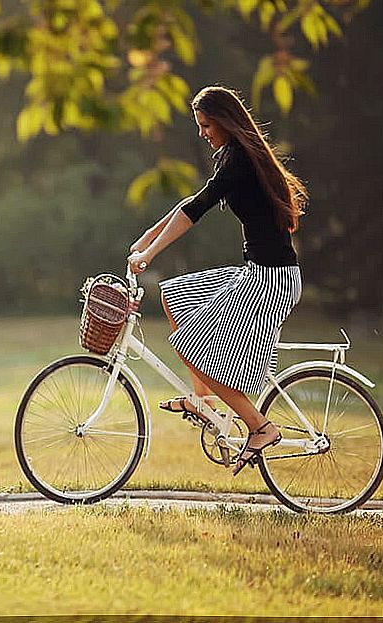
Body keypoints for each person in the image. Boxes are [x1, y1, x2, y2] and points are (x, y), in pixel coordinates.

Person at [126, 85, 308, 476]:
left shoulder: (240, 160)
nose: (202, 132)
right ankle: (203, 400)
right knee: (173, 295)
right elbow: (189, 203)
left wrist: (150, 254)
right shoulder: (231, 156)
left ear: (224, 122)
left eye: (206, 125)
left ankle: (260, 427)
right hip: (258, 272)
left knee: (195, 350)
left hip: (271, 281)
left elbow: (195, 211)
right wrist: (144, 242)